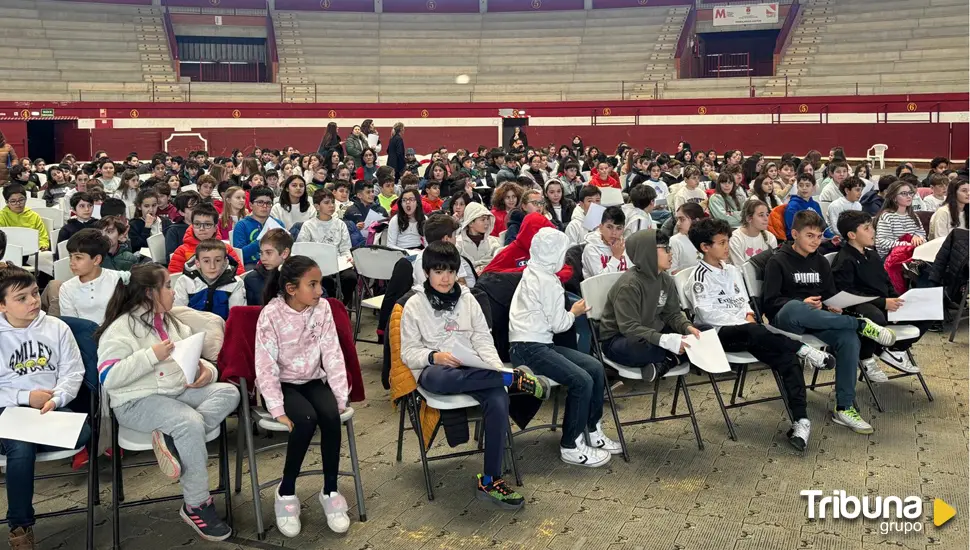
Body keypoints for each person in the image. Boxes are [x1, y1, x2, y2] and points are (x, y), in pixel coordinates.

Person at [97, 264, 239, 542]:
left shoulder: (172, 321)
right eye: (168, 287)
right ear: (150, 293)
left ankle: (171, 440)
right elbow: (109, 377)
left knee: (228, 392)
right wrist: (151, 355)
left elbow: (195, 357)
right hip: (136, 402)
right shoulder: (121, 328)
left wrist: (205, 372)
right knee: (189, 422)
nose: (174, 292)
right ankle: (197, 504)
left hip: (174, 393)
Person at [401, 242, 547, 508]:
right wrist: (434, 356)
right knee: (441, 379)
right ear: (426, 273)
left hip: (472, 367)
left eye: (450, 271)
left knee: (498, 400)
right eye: (438, 271)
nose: (445, 277)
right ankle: (512, 379)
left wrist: (494, 367)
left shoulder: (468, 299)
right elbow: (408, 353)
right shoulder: (414, 304)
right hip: (434, 369)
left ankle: (490, 479)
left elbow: (482, 339)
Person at [685, 218, 833, 451]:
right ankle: (802, 349)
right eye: (722, 242)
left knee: (786, 358)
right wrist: (746, 323)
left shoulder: (733, 270)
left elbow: (744, 301)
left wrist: (748, 317)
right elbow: (706, 314)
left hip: (750, 332)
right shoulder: (698, 277)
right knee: (758, 331)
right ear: (705, 247)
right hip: (718, 335)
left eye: (728, 241)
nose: (727, 246)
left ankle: (800, 420)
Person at [762, 210, 896, 435]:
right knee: (797, 307)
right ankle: (860, 324)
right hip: (787, 320)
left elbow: (829, 294)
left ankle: (844, 407)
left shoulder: (821, 263)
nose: (815, 241)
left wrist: (831, 304)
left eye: (818, 236)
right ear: (795, 234)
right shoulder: (778, 261)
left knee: (848, 338)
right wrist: (802, 301)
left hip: (819, 318)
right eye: (809, 236)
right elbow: (770, 303)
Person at [254, 256, 351, 536]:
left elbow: (332, 354)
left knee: (331, 416)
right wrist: (276, 407)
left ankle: (330, 490)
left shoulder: (321, 310)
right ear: (291, 288)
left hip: (311, 380)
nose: (320, 290)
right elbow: (265, 364)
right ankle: (286, 492)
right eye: (313, 284)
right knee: (305, 420)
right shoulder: (270, 315)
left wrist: (339, 396)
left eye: (319, 283)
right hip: (282, 384)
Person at [508, 227, 619, 465]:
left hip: (536, 344)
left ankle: (591, 429)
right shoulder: (548, 281)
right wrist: (574, 311)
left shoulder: (535, 271)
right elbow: (559, 325)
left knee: (595, 367)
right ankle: (571, 444)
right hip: (530, 348)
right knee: (582, 380)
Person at [0, 267, 87, 550]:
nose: (33, 301)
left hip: (53, 409)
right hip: (10, 411)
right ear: (2, 305)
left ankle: (23, 452)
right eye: (21, 298)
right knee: (21, 446)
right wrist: (26, 397)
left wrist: (56, 399)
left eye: (35, 293)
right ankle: (20, 526)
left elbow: (73, 373)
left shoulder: (57, 327)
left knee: (83, 433)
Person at [833, 211, 929, 381]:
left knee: (928, 310)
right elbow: (846, 293)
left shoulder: (872, 254)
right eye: (867, 228)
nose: (873, 231)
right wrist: (882, 302)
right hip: (860, 306)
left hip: (884, 302)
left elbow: (886, 281)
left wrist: (897, 299)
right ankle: (866, 357)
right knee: (874, 317)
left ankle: (895, 349)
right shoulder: (844, 259)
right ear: (852, 235)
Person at [598, 230, 702, 381]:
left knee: (702, 331)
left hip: (652, 332)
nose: (670, 253)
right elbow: (629, 328)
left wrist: (687, 327)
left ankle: (668, 360)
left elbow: (672, 314)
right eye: (666, 249)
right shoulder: (629, 285)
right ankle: (674, 357)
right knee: (640, 348)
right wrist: (666, 341)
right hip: (620, 339)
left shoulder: (666, 280)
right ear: (648, 253)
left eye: (670, 248)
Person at [297, 189, 356, 302]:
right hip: (317, 264)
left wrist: (349, 260)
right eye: (326, 203)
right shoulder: (308, 226)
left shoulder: (340, 224)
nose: (331, 205)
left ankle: (341, 304)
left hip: (338, 262)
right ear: (317, 206)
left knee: (350, 277)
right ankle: (329, 304)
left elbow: (345, 248)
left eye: (332, 202)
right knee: (325, 280)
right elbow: (302, 249)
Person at [60, 229, 131, 324]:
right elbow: (72, 325)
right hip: (82, 336)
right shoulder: (66, 288)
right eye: (70, 256)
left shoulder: (117, 279)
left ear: (96, 260)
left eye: (78, 257)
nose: (72, 263)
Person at [173, 239, 245, 320]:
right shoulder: (184, 281)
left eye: (217, 260)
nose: (212, 266)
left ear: (225, 262)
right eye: (206, 261)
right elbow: (178, 315)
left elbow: (236, 318)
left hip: (224, 330)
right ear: (198, 263)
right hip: (191, 330)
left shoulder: (236, 283)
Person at [169, 203, 244, 275]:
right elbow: (175, 278)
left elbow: (239, 273)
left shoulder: (226, 248)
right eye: (197, 224)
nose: (202, 228)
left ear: (215, 227)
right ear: (192, 226)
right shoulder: (182, 251)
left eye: (207, 224)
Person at [234, 187, 284, 270]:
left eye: (268, 203)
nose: (265, 206)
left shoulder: (278, 224)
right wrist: (261, 240)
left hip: (275, 264)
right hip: (252, 264)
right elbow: (240, 254)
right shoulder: (242, 225)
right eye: (260, 202)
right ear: (250, 205)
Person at [874, 181, 925, 259]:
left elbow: (922, 234)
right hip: (891, 258)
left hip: (912, 255)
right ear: (894, 197)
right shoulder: (887, 216)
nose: (909, 196)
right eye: (904, 193)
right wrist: (907, 244)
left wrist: (917, 237)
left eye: (910, 193)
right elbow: (883, 242)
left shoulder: (913, 215)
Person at [246, 228, 292, 306]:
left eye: (269, 253)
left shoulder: (299, 276)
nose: (263, 258)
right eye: (261, 253)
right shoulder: (252, 279)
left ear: (284, 253)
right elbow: (253, 312)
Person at [581, 206, 630, 278]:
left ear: (623, 230)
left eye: (618, 228)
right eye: (609, 227)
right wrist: (616, 256)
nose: (614, 233)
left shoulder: (624, 246)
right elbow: (601, 280)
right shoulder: (591, 249)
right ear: (601, 227)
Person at [0, 185, 50, 251]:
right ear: (7, 202)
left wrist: (43, 245)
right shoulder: (2, 216)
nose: (18, 204)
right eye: (13, 201)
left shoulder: (34, 216)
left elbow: (43, 236)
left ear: (26, 199)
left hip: (31, 250)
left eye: (21, 200)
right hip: (8, 251)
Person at [785, 173, 833, 240]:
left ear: (813, 187)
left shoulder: (815, 204)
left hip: (818, 238)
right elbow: (792, 231)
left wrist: (832, 237)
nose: (804, 188)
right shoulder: (793, 206)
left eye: (807, 185)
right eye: (801, 185)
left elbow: (823, 226)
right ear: (797, 187)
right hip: (801, 241)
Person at [455, 201, 501, 272]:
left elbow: (500, 262)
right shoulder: (458, 244)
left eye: (488, 219)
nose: (487, 223)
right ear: (470, 223)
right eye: (483, 219)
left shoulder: (493, 242)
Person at [729, 199, 778, 266]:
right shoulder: (735, 239)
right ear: (749, 218)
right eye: (761, 215)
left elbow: (775, 265)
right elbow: (740, 269)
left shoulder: (770, 237)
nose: (766, 218)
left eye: (767, 214)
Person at [165, 191, 202, 260]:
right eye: (192, 209)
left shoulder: (206, 226)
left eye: (199, 207)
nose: (197, 211)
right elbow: (170, 258)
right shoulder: (174, 231)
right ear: (181, 212)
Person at [669, 203, 704, 273]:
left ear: (696, 220)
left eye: (682, 219)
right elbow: (671, 271)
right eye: (677, 219)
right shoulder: (675, 241)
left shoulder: (707, 238)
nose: (678, 223)